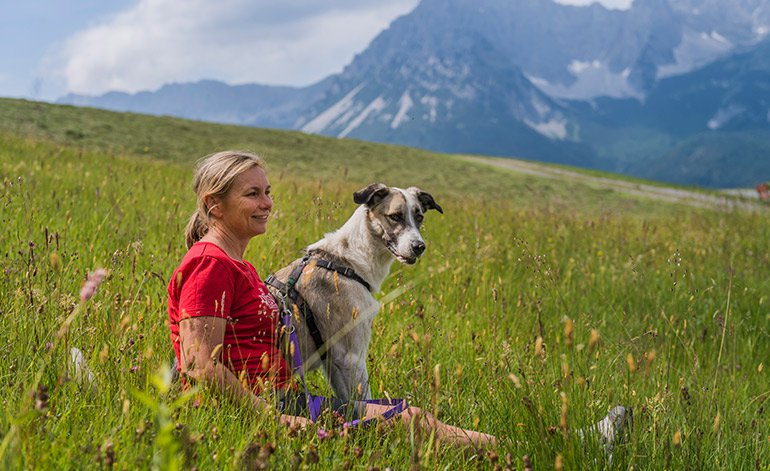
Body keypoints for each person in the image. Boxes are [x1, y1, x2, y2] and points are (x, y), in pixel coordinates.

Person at [167, 150, 497, 447]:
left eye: (267, 192)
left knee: (409, 415)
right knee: (412, 422)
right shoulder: (209, 264)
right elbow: (198, 364)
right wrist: (271, 418)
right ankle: (507, 451)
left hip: (280, 399)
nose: (267, 203)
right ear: (214, 205)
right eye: (253, 194)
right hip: (261, 408)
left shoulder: (238, 264)